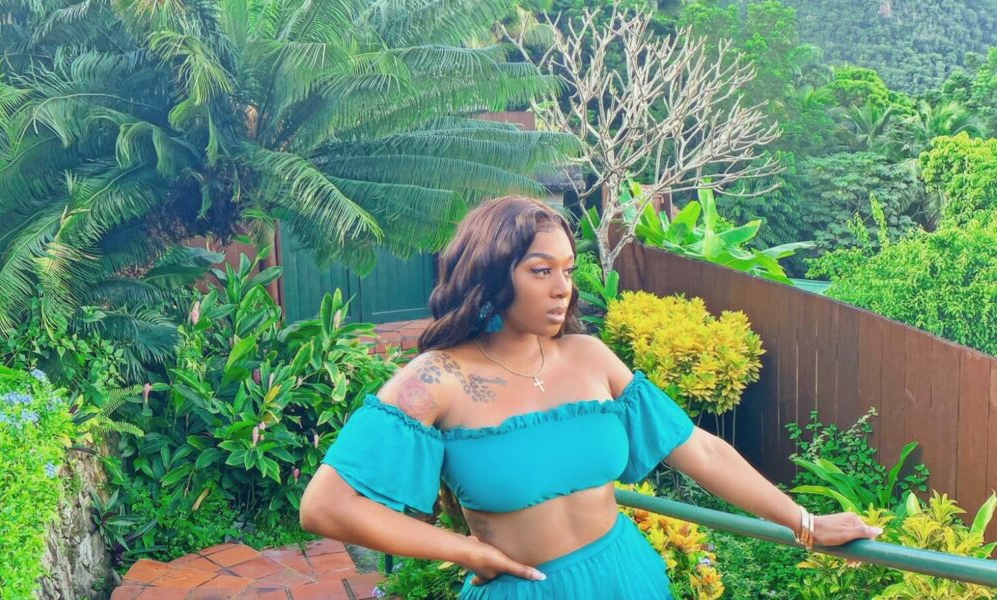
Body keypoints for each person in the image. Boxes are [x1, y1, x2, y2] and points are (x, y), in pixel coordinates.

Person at [299, 195, 883, 599]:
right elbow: (325, 506)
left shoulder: (590, 357)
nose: (563, 289)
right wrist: (465, 552)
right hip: (526, 591)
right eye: (540, 271)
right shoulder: (436, 378)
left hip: (627, 575)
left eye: (568, 270)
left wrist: (806, 522)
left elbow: (700, 450)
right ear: (492, 274)